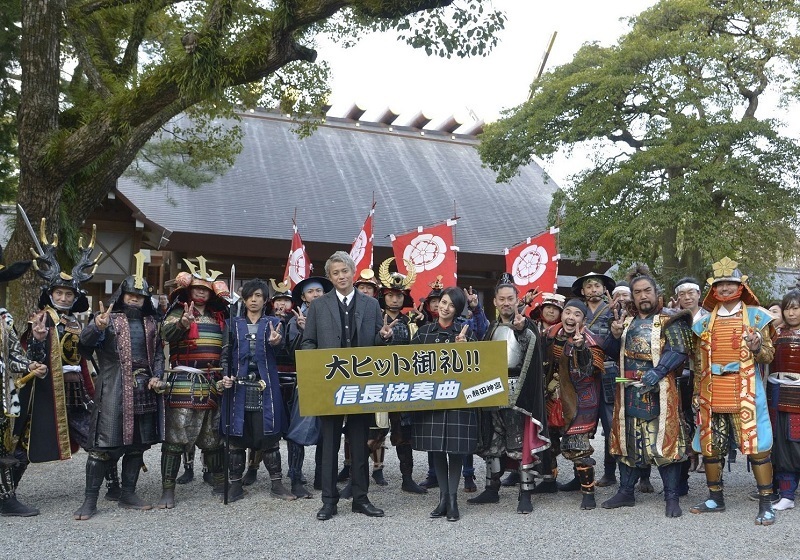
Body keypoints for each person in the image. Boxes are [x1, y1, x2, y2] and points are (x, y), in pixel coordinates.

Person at [300, 251, 394, 521]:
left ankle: (360, 498)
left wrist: (384, 337)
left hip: (361, 384)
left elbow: (378, 343)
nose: (341, 276)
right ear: (330, 277)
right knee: (329, 443)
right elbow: (308, 343)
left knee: (359, 441)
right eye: (335, 273)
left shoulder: (371, 304)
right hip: (329, 384)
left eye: (345, 271)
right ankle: (329, 501)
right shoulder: (318, 306)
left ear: (354, 272)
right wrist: (314, 368)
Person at [13, 225, 98, 515]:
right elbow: (27, 356)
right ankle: (7, 493)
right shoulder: (39, 319)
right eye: (59, 293)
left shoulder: (77, 322)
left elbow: (84, 358)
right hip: (47, 391)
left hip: (77, 388)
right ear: (50, 294)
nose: (63, 298)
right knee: (25, 442)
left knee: (95, 439)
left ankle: (105, 488)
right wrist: (37, 341)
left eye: (68, 294)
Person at [74, 256, 165, 519]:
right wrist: (95, 327)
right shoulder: (107, 319)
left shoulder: (152, 324)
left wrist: (157, 376)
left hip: (143, 387)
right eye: (130, 295)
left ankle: (128, 493)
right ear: (122, 295)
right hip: (113, 388)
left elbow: (158, 354)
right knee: (103, 446)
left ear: (146, 299)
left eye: (139, 296)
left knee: (137, 445)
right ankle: (89, 501)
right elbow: (85, 345)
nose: (134, 300)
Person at [689, 257, 776, 525]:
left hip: (745, 390)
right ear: (713, 289)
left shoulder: (758, 317)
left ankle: (766, 502)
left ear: (741, 286)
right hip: (712, 391)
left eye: (730, 283)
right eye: (720, 284)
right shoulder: (703, 324)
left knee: (758, 448)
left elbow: (769, 355)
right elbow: (698, 362)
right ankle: (715, 497)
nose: (725, 288)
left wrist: (755, 347)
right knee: (711, 446)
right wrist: (695, 392)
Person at [603, 270, 691, 517]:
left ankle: (671, 496)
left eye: (647, 291)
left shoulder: (671, 319)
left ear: (656, 293)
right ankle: (625, 491)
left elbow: (680, 349)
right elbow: (610, 352)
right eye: (638, 292)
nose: (643, 296)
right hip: (627, 387)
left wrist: (659, 371)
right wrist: (614, 335)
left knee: (664, 445)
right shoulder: (626, 322)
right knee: (628, 443)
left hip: (660, 390)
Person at [469, 275, 550, 514]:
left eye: (510, 298)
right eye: (502, 299)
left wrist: (522, 331)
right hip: (494, 388)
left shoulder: (527, 325)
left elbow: (535, 353)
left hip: (519, 389)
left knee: (519, 442)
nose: (506, 303)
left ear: (517, 300)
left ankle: (525, 492)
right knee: (493, 441)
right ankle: (491, 488)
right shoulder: (492, 327)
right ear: (495, 302)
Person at [157, 256, 230, 509]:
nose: (201, 293)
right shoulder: (177, 311)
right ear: (189, 290)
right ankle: (168, 488)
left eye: (205, 290)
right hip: (184, 379)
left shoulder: (219, 316)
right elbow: (164, 334)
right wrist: (182, 323)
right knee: (176, 435)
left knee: (213, 435)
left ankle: (221, 482)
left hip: (213, 380)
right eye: (197, 288)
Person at [219, 278, 292, 501]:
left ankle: (277, 485)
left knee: (268, 436)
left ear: (265, 299)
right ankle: (234, 485)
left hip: (265, 385)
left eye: (259, 296)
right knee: (236, 438)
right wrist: (225, 375)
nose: (254, 300)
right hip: (238, 386)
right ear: (244, 298)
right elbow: (225, 354)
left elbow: (283, 352)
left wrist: (276, 342)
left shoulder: (273, 323)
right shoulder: (233, 323)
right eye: (250, 295)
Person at [411, 287, 476, 521]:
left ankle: (452, 500)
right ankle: (442, 499)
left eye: (451, 305)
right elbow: (410, 366)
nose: (444, 308)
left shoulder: (466, 332)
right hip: (431, 398)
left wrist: (464, 350)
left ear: (457, 310)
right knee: (436, 448)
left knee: (456, 450)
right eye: (443, 302)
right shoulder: (423, 333)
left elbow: (478, 368)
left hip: (459, 399)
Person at [538, 299, 604, 509]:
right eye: (568, 312)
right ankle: (549, 481)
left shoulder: (591, 341)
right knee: (546, 441)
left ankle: (588, 491)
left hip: (578, 400)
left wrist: (580, 348)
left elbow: (589, 370)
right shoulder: (549, 335)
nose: (570, 318)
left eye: (577, 314)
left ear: (583, 320)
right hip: (551, 396)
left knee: (578, 447)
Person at [375, 258, 427, 494]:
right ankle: (361, 477)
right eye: (390, 295)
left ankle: (407, 478)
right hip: (376, 382)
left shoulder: (411, 322)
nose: (395, 299)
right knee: (370, 432)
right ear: (383, 296)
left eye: (399, 295)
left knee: (403, 434)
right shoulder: (373, 319)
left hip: (403, 384)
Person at [567, 272, 620, 491]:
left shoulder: (613, 310)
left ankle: (609, 473)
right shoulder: (577, 312)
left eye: (597, 285)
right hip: (582, 375)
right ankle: (579, 474)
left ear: (604, 288)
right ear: (582, 291)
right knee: (578, 425)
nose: (593, 290)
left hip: (607, 371)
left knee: (610, 425)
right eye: (588, 286)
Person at [285, 275, 333, 495]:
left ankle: (322, 478)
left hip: (330, 379)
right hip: (304, 381)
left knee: (327, 431)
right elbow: (288, 353)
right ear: (303, 297)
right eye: (311, 291)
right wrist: (303, 331)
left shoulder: (332, 315)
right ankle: (296, 479)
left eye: (319, 291)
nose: (315, 295)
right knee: (299, 429)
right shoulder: (295, 319)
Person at [0, 245, 36, 516]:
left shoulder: (4, 321)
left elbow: (14, 354)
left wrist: (30, 365)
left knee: (2, 448)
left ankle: (6, 499)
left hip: (0, 395)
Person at [766, 289, 800, 511]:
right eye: (788, 308)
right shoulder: (775, 334)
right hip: (777, 393)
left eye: (796, 307)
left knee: (796, 443)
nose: (791, 312)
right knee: (782, 444)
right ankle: (786, 494)